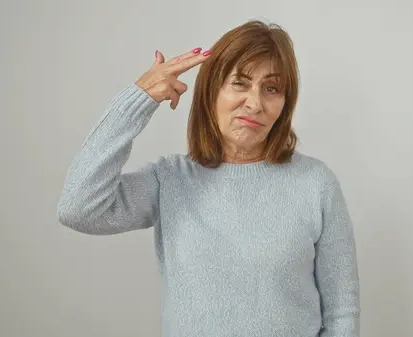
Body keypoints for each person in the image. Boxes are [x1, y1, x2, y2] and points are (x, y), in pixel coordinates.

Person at [57, 20, 360, 337]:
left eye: (271, 88)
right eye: (240, 83)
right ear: (211, 91)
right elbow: (79, 208)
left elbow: (342, 313)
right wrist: (138, 98)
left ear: (284, 104)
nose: (255, 103)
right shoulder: (170, 180)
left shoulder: (316, 184)